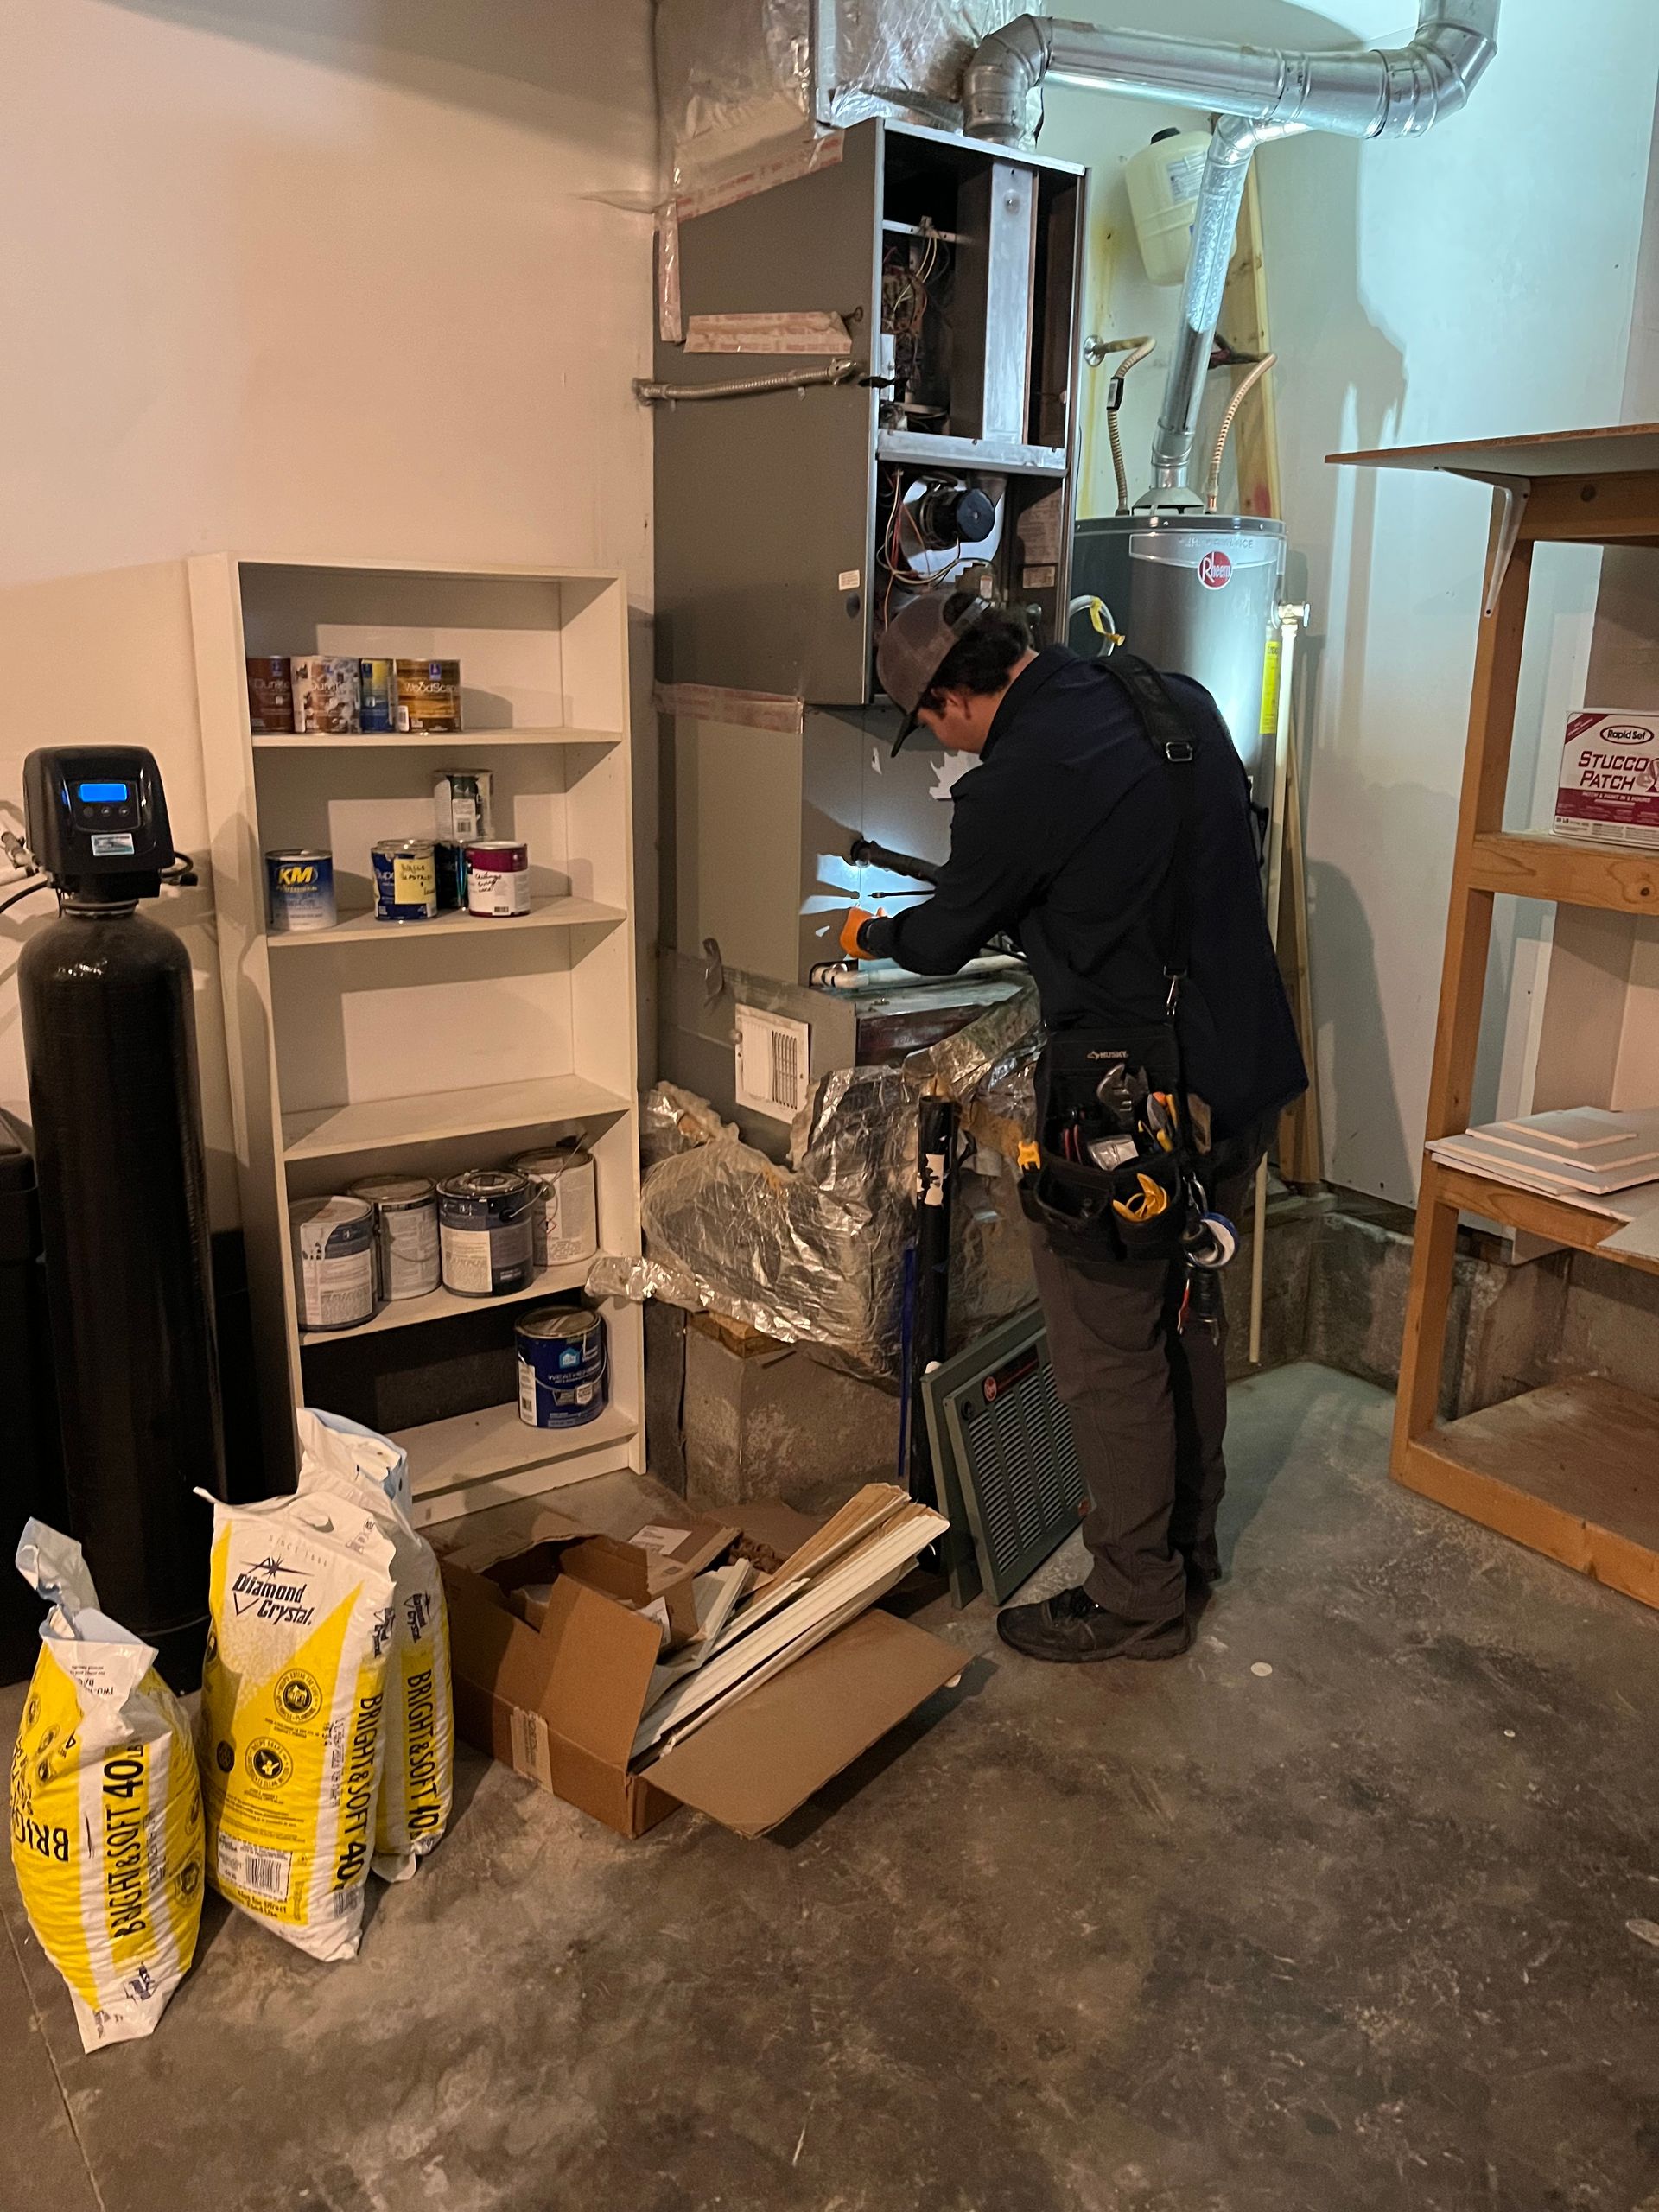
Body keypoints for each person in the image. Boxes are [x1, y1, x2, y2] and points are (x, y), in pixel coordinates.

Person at [839, 588, 1307, 1663]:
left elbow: (947, 938)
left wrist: (873, 930)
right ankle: (1188, 1552)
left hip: (1129, 1104)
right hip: (1238, 1070)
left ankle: (1139, 1601)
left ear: (952, 700)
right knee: (1187, 1314)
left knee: (1108, 1351)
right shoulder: (1164, 695)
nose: (943, 744)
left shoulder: (1014, 784)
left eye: (934, 725)